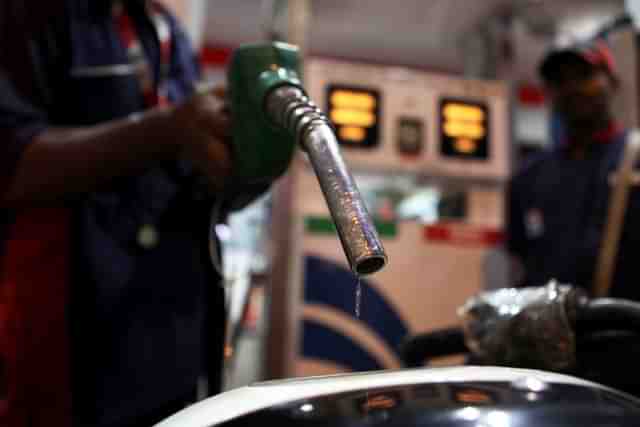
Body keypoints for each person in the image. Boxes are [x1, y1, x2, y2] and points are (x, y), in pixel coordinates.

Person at [0, 1, 283, 426]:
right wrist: (167, 129)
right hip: (71, 348)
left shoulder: (166, 31)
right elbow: (13, 165)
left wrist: (249, 167)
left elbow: (187, 181)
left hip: (170, 345)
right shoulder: (30, 14)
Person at [506, 39, 640, 300]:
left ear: (611, 82)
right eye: (559, 81)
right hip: (552, 333)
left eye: (584, 75)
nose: (572, 88)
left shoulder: (634, 160)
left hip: (627, 331)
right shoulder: (527, 178)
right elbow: (523, 259)